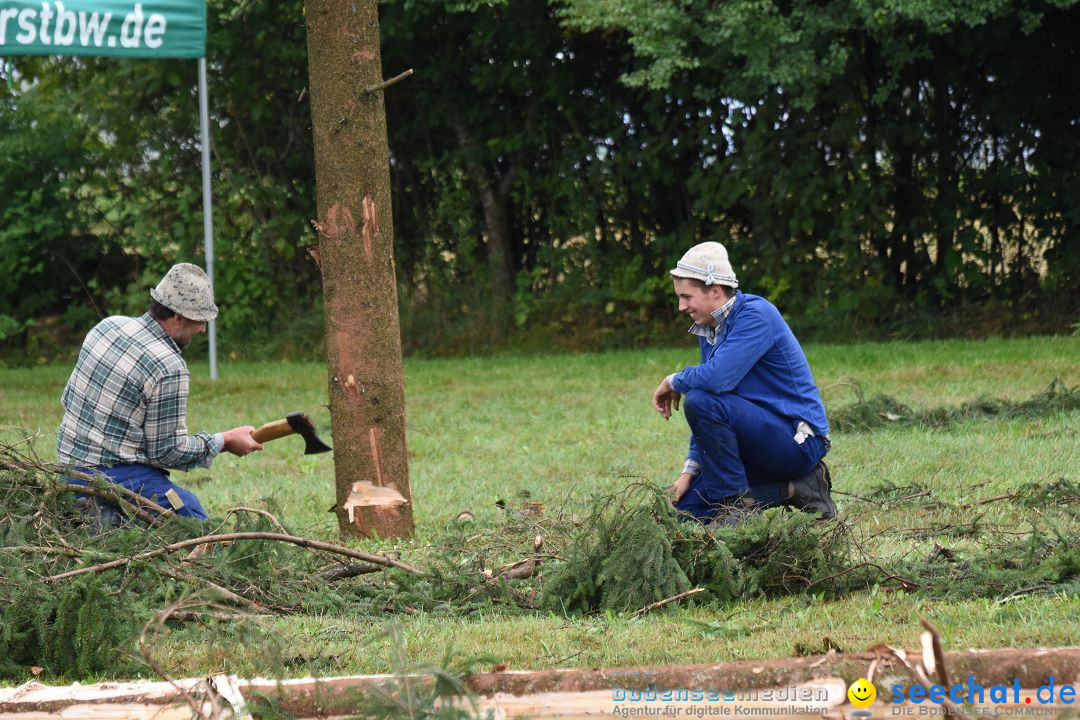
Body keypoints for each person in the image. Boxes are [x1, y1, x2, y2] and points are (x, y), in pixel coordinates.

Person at [57, 263, 263, 523]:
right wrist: (224, 441)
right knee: (191, 517)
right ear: (177, 316)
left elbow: (68, 399)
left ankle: (96, 517)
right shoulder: (168, 366)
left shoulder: (108, 326)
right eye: (199, 320)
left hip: (67, 470)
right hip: (111, 476)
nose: (202, 330)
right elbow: (166, 452)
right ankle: (108, 517)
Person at [651, 242, 836, 527]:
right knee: (685, 515)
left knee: (699, 399)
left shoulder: (756, 315)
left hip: (797, 441)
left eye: (686, 296)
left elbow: (715, 380)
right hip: (757, 440)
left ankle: (733, 507)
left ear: (715, 291)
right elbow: (712, 401)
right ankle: (798, 488)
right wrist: (689, 472)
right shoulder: (711, 329)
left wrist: (674, 379)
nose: (681, 306)